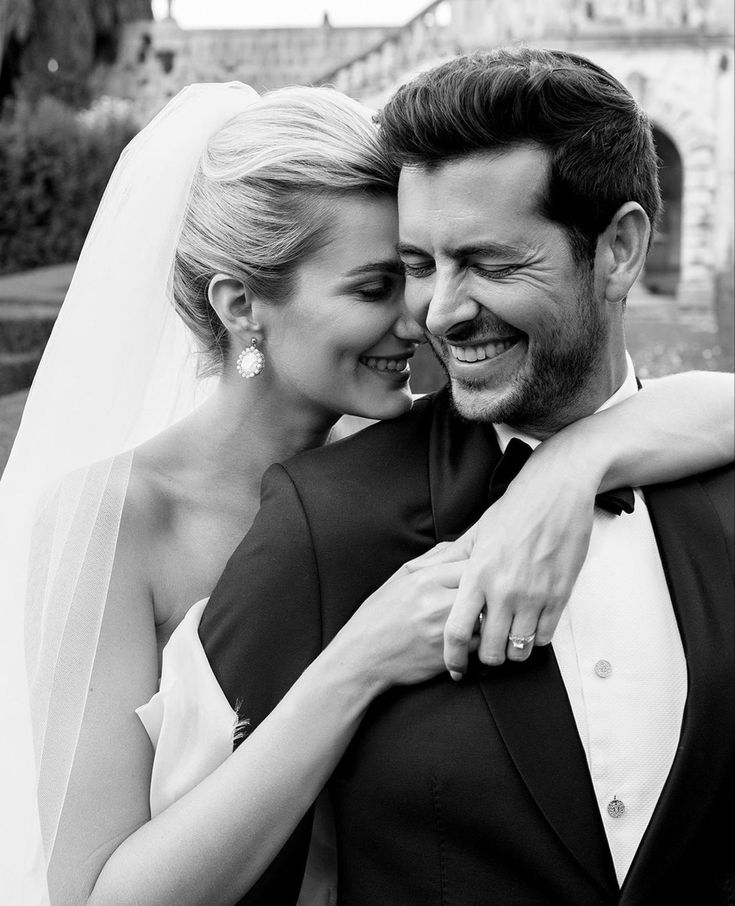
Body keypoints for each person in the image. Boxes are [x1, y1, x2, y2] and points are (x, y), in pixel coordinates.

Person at [1, 77, 730, 906]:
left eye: (419, 269)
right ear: (243, 304)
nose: (424, 316)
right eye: (379, 284)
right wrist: (358, 660)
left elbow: (702, 408)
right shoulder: (118, 523)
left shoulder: (428, 444)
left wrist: (574, 464)